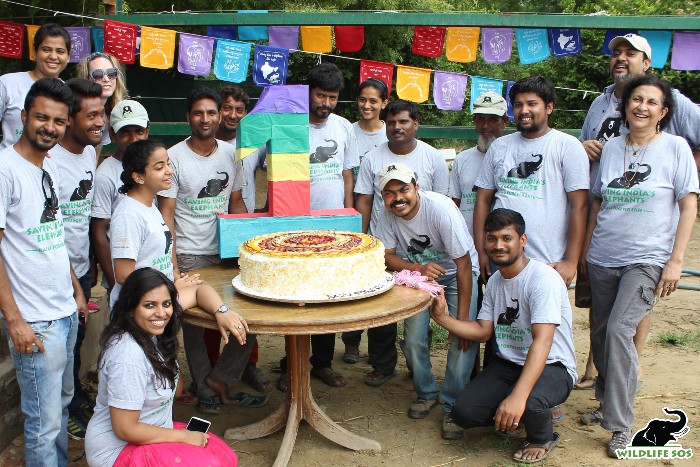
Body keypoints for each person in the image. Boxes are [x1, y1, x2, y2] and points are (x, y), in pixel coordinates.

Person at [579, 75, 699, 458]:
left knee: (619, 329)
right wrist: (584, 252)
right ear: (625, 105)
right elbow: (597, 201)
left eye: (651, 102)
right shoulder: (612, 148)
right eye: (636, 99)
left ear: (663, 112)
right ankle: (605, 404)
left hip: (646, 258)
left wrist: (675, 261)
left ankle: (620, 423)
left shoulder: (675, 148)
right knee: (599, 335)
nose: (642, 107)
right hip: (602, 256)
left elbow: (689, 204)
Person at [431, 208, 576, 464]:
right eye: (492, 238)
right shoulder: (497, 281)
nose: (498, 245)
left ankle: (541, 436)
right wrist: (443, 318)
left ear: (522, 240)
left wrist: (518, 397)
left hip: (553, 366)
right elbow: (483, 331)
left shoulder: (543, 279)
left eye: (506, 238)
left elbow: (543, 342)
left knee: (530, 402)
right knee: (464, 412)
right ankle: (517, 414)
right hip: (510, 363)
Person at [0, 78, 88, 466]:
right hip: (34, 320)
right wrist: (14, 319)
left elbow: (52, 236)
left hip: (63, 310)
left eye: (57, 120)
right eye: (41, 117)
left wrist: (76, 290)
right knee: (43, 421)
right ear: (23, 117)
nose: (49, 127)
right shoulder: (5, 170)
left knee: (62, 405)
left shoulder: (45, 167)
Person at [157, 88, 262, 413]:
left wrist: (250, 247)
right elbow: (167, 215)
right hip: (189, 254)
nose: (205, 119)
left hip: (227, 252)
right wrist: (172, 265)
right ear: (188, 117)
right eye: (198, 113)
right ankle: (205, 387)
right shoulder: (173, 157)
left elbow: (236, 201)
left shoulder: (233, 154)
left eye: (211, 113)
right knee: (195, 326)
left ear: (219, 116)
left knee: (251, 314)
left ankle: (222, 376)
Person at [85, 268, 239, 466]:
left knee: (225, 457)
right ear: (131, 308)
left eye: (166, 304)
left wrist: (222, 311)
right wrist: (184, 437)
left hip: (151, 432)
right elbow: (125, 429)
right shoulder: (127, 356)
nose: (161, 312)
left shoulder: (155, 324)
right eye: (149, 305)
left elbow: (199, 291)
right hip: (118, 450)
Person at [374, 163, 479, 440]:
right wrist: (418, 270)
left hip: (458, 275)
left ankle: (453, 402)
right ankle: (426, 392)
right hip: (417, 277)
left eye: (404, 189)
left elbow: (465, 264)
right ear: (382, 196)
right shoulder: (384, 214)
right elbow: (386, 256)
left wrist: (463, 320)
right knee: (412, 338)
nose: (398, 198)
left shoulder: (440, 209)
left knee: (462, 338)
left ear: (417, 187)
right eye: (389, 193)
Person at [351, 100, 450, 380]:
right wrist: (363, 242)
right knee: (382, 304)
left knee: (422, 307)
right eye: (391, 122)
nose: (397, 127)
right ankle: (382, 365)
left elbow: (445, 201)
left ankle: (417, 366)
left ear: (415, 124)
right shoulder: (372, 158)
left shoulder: (432, 158)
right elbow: (365, 200)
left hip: (428, 249)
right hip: (385, 244)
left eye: (403, 121)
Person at [277, 63, 360, 392]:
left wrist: (348, 214)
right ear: (307, 92)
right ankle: (290, 365)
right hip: (294, 223)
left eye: (332, 97)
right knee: (293, 296)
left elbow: (347, 174)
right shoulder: (288, 125)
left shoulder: (343, 128)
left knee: (328, 295)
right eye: (320, 95)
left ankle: (322, 364)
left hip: (334, 225)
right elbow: (276, 175)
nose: (325, 102)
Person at [473, 77, 589, 288]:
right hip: (501, 256)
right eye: (518, 105)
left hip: (548, 260)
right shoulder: (499, 147)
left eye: (532, 104)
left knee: (545, 319)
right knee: (503, 319)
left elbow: (579, 206)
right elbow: (482, 201)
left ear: (549, 107)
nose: (524, 110)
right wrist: (481, 251)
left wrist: (571, 260)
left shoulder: (568, 146)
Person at [49, 78, 105, 439]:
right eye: (92, 115)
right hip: (54, 274)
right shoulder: (50, 161)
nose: (101, 122)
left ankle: (74, 398)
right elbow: (52, 231)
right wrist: (72, 284)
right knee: (59, 348)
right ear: (69, 119)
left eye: (102, 113)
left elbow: (84, 217)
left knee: (77, 339)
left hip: (82, 269)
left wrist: (91, 266)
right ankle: (64, 410)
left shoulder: (89, 151)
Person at [214, 84, 270, 393]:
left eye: (239, 109)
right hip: (205, 233)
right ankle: (211, 369)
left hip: (243, 231)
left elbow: (276, 172)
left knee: (248, 301)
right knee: (213, 303)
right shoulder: (204, 144)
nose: (233, 115)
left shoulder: (253, 143)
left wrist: (262, 212)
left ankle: (248, 364)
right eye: (227, 108)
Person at [341, 77, 389, 364]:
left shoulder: (390, 134)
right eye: (362, 99)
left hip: (385, 218)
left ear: (384, 103)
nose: (367, 105)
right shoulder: (347, 131)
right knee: (353, 284)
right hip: (355, 216)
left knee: (380, 289)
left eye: (374, 100)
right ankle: (350, 341)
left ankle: (380, 353)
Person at [90, 99, 150, 294]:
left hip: (152, 268)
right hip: (122, 274)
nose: (133, 138)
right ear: (113, 134)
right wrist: (115, 281)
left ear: (147, 132)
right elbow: (99, 232)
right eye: (125, 132)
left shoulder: (154, 167)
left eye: (138, 131)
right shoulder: (105, 175)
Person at [0, 23, 71, 150]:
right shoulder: (7, 83)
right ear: (34, 52)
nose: (53, 56)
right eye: (46, 49)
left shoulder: (69, 92)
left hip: (50, 168)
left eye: (60, 51)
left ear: (68, 56)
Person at [449, 91, 509, 238]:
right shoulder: (462, 159)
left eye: (493, 119)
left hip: (505, 243)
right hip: (468, 242)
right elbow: (454, 204)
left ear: (505, 121)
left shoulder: (512, 157)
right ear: (474, 121)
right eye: (480, 119)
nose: (486, 125)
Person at [76, 51, 127, 155]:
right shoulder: (74, 110)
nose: (106, 79)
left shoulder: (108, 115)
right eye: (98, 75)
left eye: (111, 73)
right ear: (86, 78)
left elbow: (95, 156)